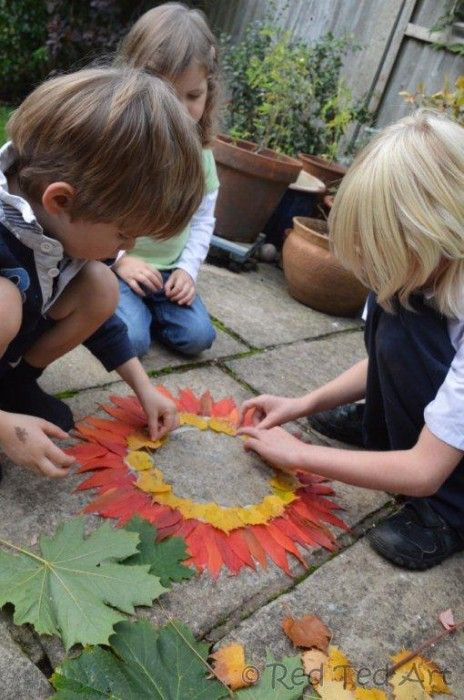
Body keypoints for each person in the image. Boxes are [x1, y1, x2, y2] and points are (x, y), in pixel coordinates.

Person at [239, 110, 464, 571]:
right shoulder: (425, 278)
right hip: (440, 426)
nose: (376, 265)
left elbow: (422, 471)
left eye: (386, 251)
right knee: (394, 307)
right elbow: (383, 360)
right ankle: (379, 424)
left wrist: (299, 454)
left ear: (435, 236)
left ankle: (449, 514)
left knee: (402, 315)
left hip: (437, 470)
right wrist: (304, 404)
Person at [0, 67, 204, 478]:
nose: (125, 248)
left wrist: (144, 388)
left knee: (100, 285)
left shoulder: (56, 222)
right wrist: (6, 432)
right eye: (123, 234)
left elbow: (104, 324)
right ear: (60, 200)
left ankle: (13, 387)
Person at [112, 2, 219, 357]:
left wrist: (187, 271)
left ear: (209, 90)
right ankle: (107, 306)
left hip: (169, 272)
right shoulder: (122, 147)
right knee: (132, 342)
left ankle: (142, 312)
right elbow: (93, 216)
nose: (181, 108)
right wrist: (120, 261)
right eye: (168, 94)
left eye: (193, 96)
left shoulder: (201, 156)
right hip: (118, 266)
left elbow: (203, 219)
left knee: (199, 337)